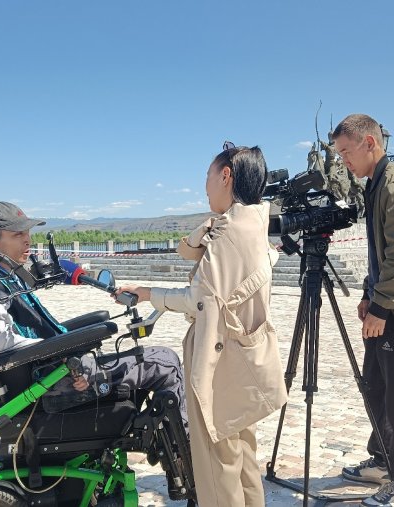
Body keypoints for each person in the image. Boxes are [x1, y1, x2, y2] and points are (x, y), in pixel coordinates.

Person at [115, 143, 288, 507]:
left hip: (219, 359)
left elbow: (200, 300)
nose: (205, 186)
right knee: (243, 455)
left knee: (217, 464)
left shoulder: (229, 232)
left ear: (226, 176)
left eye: (208, 176)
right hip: (247, 356)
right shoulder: (253, 221)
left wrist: (147, 293)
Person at [0, 201, 187, 430]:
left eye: (27, 233)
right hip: (55, 378)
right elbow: (1, 340)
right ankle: (182, 441)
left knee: (160, 358)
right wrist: (58, 349)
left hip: (55, 365)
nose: (27, 240)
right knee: (165, 363)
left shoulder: (7, 275)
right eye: (17, 234)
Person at [331, 115, 394, 507]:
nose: (344, 161)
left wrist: (381, 306)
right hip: (384, 304)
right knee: (375, 387)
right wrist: (367, 294)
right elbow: (381, 252)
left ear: (370, 143)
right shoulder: (375, 185)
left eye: (346, 151)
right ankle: (382, 460)